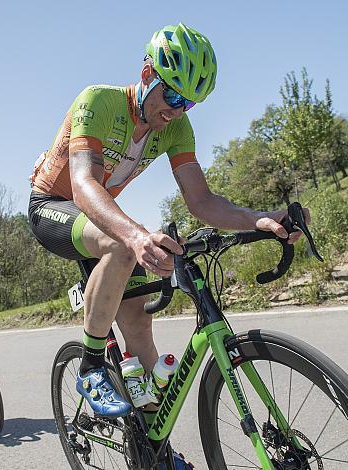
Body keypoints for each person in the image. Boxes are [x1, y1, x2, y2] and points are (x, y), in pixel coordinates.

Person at [28, 23, 307, 467]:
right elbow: (82, 186)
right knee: (122, 245)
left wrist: (261, 218)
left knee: (141, 336)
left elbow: (202, 201)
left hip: (102, 217)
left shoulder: (177, 129)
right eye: (173, 95)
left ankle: (155, 451)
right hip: (54, 205)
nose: (178, 109)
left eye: (190, 101)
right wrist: (136, 236)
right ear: (146, 75)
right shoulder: (97, 102)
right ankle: (92, 366)